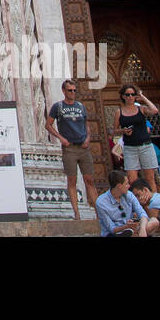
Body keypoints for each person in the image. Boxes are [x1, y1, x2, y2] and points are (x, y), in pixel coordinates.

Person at [45, 78, 98, 219]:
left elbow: (86, 125)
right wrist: (61, 138)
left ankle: (99, 212)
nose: (72, 93)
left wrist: (88, 138)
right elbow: (48, 125)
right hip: (69, 149)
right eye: (70, 90)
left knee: (89, 179)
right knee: (72, 180)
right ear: (63, 91)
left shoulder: (81, 106)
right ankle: (76, 212)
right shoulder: (58, 107)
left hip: (83, 147)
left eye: (74, 90)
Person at [114, 83, 159, 190]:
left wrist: (143, 97)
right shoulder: (119, 112)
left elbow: (154, 110)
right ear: (123, 96)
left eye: (133, 94)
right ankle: (138, 204)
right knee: (132, 180)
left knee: (150, 178)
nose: (130, 97)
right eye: (127, 94)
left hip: (145, 146)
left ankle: (153, 203)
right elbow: (114, 130)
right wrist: (123, 131)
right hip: (130, 148)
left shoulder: (141, 109)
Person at [95, 169, 159, 237]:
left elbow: (142, 213)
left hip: (132, 229)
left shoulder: (129, 195)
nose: (129, 186)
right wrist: (126, 227)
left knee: (154, 221)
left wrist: (142, 229)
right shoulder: (101, 202)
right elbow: (112, 229)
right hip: (115, 233)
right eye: (126, 184)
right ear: (119, 186)